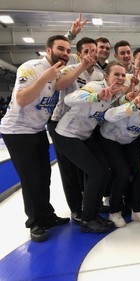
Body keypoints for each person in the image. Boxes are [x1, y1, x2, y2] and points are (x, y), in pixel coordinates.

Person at [0, 35, 71, 242]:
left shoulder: (58, 71)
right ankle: (35, 223)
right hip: (17, 131)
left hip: (37, 129)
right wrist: (45, 77)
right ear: (48, 50)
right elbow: (21, 99)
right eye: (61, 49)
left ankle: (46, 215)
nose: (65, 53)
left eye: (68, 50)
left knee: (44, 176)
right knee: (31, 179)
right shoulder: (30, 68)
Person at [53, 61, 126, 233]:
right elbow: (69, 99)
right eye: (117, 74)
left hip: (86, 136)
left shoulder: (117, 92)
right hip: (67, 134)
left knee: (105, 172)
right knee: (96, 172)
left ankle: (92, 212)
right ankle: (87, 219)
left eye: (123, 75)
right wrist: (96, 96)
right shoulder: (95, 86)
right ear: (106, 76)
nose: (121, 78)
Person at [98, 77, 140, 227]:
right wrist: (132, 106)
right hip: (109, 138)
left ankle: (136, 210)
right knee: (122, 172)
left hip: (129, 141)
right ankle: (114, 211)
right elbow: (108, 115)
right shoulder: (136, 104)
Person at [48, 37, 103, 224]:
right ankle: (76, 210)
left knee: (91, 168)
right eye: (86, 51)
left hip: (85, 127)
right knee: (69, 170)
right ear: (78, 54)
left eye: (93, 51)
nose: (91, 55)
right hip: (60, 124)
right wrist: (81, 67)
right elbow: (59, 85)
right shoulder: (69, 70)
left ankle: (90, 204)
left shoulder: (99, 75)